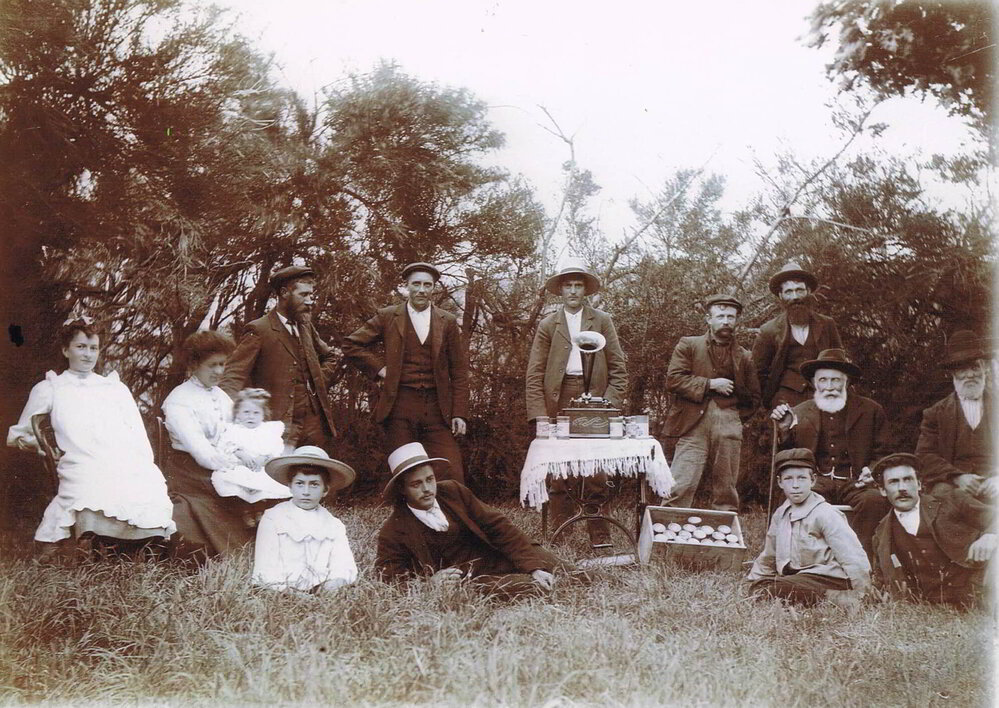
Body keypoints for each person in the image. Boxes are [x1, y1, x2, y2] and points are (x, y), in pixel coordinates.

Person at [7, 318, 175, 555]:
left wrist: (142, 461)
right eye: (81, 347)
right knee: (93, 480)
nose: (88, 355)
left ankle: (138, 542)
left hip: (119, 454)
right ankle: (94, 539)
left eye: (93, 348)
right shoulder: (52, 387)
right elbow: (21, 433)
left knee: (143, 478)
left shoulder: (114, 388)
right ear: (66, 350)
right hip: (80, 457)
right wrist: (44, 447)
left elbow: (136, 431)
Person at [525, 261, 628, 547]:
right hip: (559, 397)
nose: (573, 290)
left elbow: (618, 367)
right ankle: (561, 534)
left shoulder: (602, 320)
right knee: (559, 470)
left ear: (585, 290)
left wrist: (609, 404)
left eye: (578, 285)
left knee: (597, 469)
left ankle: (600, 534)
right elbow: (535, 371)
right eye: (568, 285)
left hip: (595, 396)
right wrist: (539, 414)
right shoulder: (548, 324)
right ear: (560, 290)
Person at [375, 442, 560, 597]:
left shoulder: (453, 491)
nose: (427, 489)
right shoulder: (392, 532)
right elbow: (389, 580)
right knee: (535, 586)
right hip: (472, 582)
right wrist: (429, 584)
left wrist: (533, 567)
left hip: (496, 555)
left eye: (430, 479)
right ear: (402, 489)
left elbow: (498, 526)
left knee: (568, 573)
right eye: (416, 484)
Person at [342, 262, 469, 482]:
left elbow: (458, 370)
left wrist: (459, 412)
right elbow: (351, 345)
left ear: (434, 288)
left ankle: (449, 515)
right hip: (400, 404)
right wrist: (381, 370)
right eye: (416, 284)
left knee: (451, 470)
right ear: (406, 286)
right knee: (404, 470)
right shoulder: (388, 316)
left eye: (427, 285)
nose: (422, 289)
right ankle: (406, 515)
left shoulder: (446, 321)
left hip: (437, 407)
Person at [770, 348, 890, 556]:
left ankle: (861, 559)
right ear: (814, 383)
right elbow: (788, 459)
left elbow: (884, 453)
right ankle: (801, 556)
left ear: (847, 382)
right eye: (823, 380)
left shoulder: (871, 411)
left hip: (856, 483)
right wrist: (784, 431)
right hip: (817, 481)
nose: (829, 387)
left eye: (836, 380)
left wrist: (872, 471)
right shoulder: (799, 412)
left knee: (874, 501)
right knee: (793, 496)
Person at [220, 265, 337, 452]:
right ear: (284, 293)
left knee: (309, 475)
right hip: (277, 426)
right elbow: (233, 376)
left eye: (311, 295)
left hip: (314, 425)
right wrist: (226, 418)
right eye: (304, 295)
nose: (310, 301)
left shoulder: (305, 326)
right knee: (277, 477)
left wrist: (317, 383)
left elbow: (330, 356)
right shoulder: (259, 330)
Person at [162, 330, 256, 557]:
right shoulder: (178, 401)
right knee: (238, 486)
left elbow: (234, 432)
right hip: (190, 471)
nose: (219, 371)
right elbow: (201, 451)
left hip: (221, 463)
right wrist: (234, 466)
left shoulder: (221, 396)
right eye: (212, 365)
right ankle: (238, 546)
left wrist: (244, 454)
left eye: (223, 364)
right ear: (194, 364)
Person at [665, 294, 760, 512]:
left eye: (731, 317)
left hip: (729, 422)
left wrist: (734, 418)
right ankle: (667, 535)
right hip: (692, 423)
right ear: (709, 319)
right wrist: (710, 384)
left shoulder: (745, 356)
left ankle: (723, 539)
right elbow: (674, 380)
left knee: (726, 488)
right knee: (680, 482)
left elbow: (754, 397)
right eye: (720, 316)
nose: (726, 321)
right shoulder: (689, 345)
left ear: (736, 321)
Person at [747, 448, 871, 610]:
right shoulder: (780, 514)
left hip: (830, 577)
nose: (795, 485)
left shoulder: (825, 513)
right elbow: (769, 555)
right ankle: (814, 596)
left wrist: (863, 592)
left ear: (813, 481)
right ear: (780, 482)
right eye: (789, 479)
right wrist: (753, 580)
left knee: (777, 589)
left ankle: (836, 598)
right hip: (800, 578)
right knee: (762, 587)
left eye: (802, 478)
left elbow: (852, 555)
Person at [870, 453, 995, 608]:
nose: (902, 488)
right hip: (933, 606)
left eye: (908, 480)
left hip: (979, 590)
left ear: (920, 484)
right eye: (893, 482)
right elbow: (882, 581)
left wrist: (990, 535)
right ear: (882, 490)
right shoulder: (881, 534)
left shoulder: (952, 500)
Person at [252, 446, 358, 593]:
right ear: (290, 486)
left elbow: (344, 565)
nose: (306, 492)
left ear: (325, 490)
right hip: (281, 591)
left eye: (314, 484)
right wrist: (288, 592)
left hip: (322, 590)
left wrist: (333, 583)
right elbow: (264, 570)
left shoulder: (333, 524)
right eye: (300, 483)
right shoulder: (273, 518)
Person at [915, 330, 995, 499]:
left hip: (994, 484)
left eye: (975, 367)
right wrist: (957, 477)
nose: (970, 374)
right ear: (952, 374)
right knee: (944, 498)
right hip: (953, 485)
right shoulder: (935, 413)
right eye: (962, 369)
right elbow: (924, 456)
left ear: (984, 369)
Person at [752, 262, 843, 409]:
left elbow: (839, 362)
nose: (795, 297)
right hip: (785, 400)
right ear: (781, 296)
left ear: (808, 292)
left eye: (799, 290)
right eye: (789, 292)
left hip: (824, 394)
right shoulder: (768, 330)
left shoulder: (827, 324)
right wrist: (771, 402)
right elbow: (758, 373)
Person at [210, 388, 291, 510]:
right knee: (229, 480)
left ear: (263, 414)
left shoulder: (268, 431)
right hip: (240, 467)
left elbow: (275, 449)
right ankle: (244, 510)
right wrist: (240, 453)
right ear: (238, 413)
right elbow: (224, 447)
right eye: (246, 412)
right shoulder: (234, 430)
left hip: (261, 468)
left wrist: (263, 458)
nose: (251, 417)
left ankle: (260, 509)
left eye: (256, 413)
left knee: (265, 484)